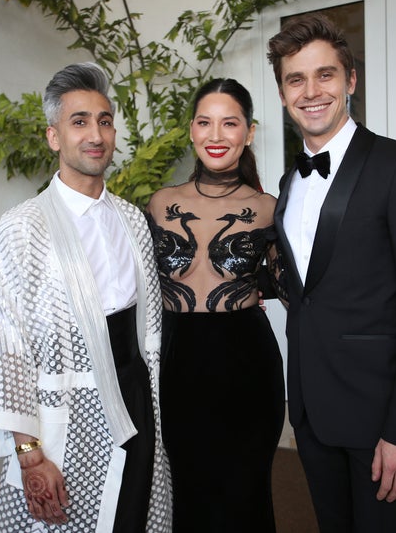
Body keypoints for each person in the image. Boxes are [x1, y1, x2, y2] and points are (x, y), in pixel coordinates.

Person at [0, 62, 171, 532]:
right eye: (79, 121)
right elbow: (3, 349)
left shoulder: (132, 221)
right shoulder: (16, 233)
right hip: (62, 413)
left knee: (132, 513)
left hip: (135, 394)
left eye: (104, 121)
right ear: (54, 137)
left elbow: (148, 326)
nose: (95, 134)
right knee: (65, 519)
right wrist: (29, 455)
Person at [266, 12, 396, 533]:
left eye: (324, 74)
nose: (310, 91)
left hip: (380, 419)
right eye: (295, 79)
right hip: (309, 412)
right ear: (283, 94)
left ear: (350, 80)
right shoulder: (288, 183)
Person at [145, 78, 286, 532]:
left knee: (244, 492)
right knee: (185, 490)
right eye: (205, 122)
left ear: (248, 132)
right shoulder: (160, 203)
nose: (216, 135)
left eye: (230, 123)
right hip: (176, 362)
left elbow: (296, 288)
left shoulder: (268, 207)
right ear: (191, 130)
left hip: (247, 362)